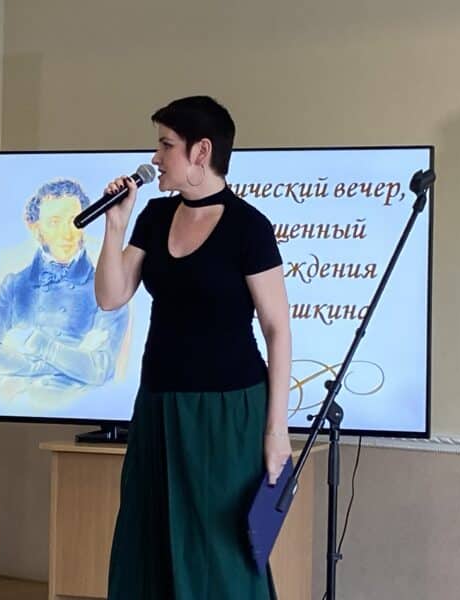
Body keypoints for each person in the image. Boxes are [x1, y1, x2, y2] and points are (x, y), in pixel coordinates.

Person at [96, 96, 292, 599]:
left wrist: (276, 432)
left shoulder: (249, 227)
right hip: (159, 405)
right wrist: (115, 225)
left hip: (227, 412)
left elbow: (277, 330)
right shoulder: (155, 216)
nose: (155, 157)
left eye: (166, 145)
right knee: (149, 538)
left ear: (201, 151)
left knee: (218, 552)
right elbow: (111, 296)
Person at [0, 179, 129, 405]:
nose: (67, 234)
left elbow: (100, 368)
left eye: (75, 220)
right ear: (35, 227)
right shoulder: (14, 285)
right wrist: (58, 365)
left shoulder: (109, 290)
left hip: (80, 406)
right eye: (54, 222)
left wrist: (38, 344)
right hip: (16, 405)